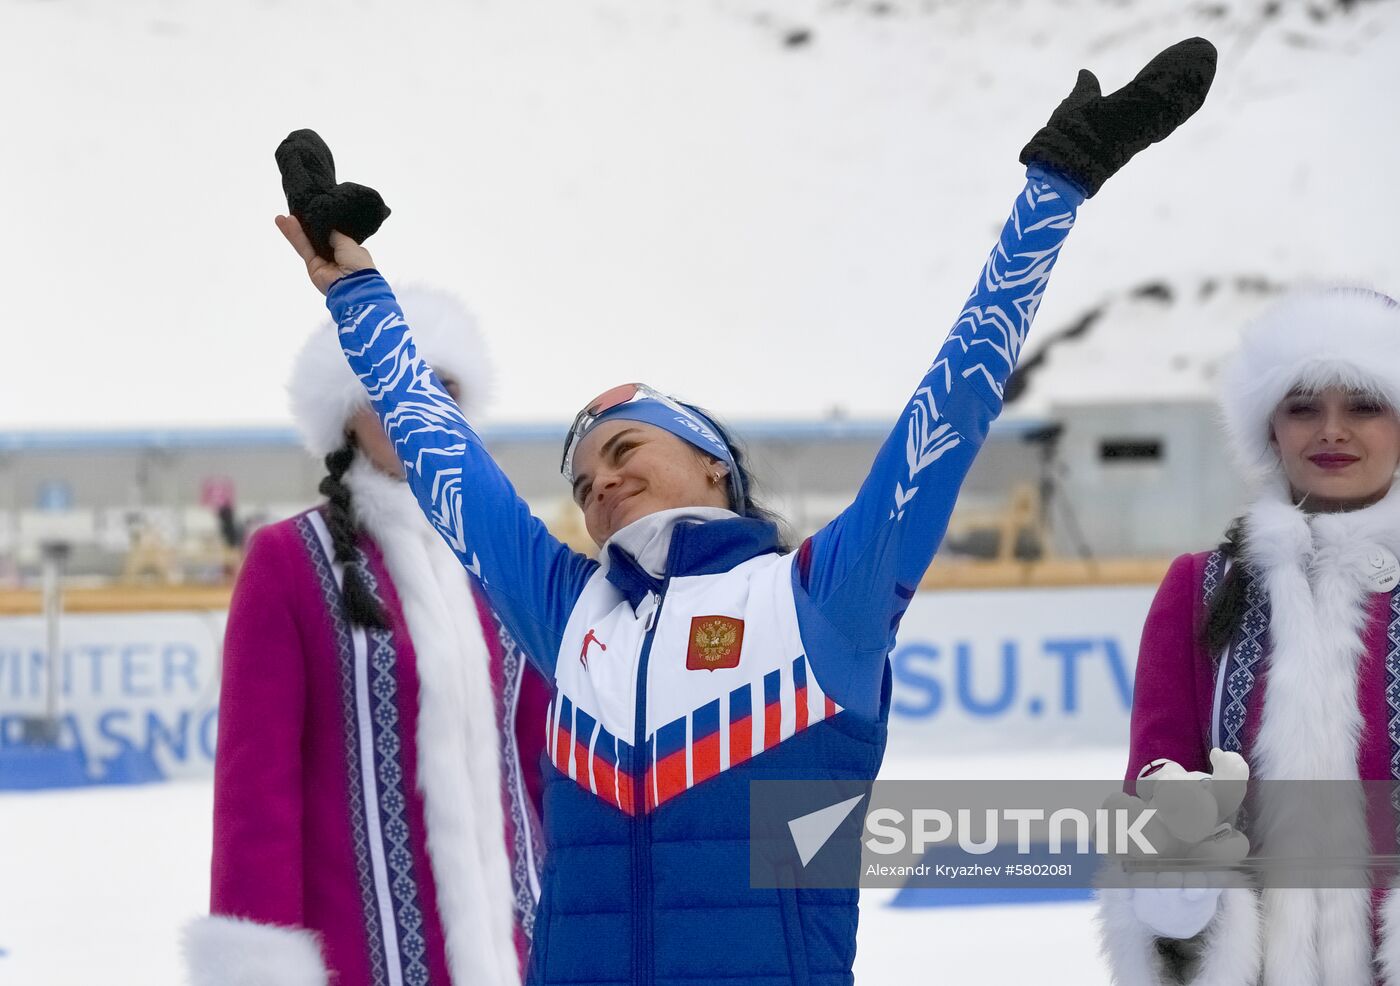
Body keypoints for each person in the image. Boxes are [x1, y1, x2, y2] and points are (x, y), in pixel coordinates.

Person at [276, 38, 1217, 986]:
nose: (598, 484)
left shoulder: (814, 600)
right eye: (580, 480)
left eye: (624, 449)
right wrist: (358, 295)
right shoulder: (574, 618)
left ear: (713, 463)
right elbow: (451, 471)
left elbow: (954, 407)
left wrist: (1052, 190)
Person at [182, 288, 550, 986]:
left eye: (441, 388)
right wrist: (262, 965)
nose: (420, 408)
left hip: (525, 946)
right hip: (359, 950)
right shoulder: (290, 561)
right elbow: (256, 791)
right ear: (349, 415)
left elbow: (547, 760)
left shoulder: (501, 556)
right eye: (394, 388)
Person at [1100, 289, 1400, 984]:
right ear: (1270, 428)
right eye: (1302, 407)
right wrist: (1175, 889)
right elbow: (1153, 788)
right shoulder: (1199, 591)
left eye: (1363, 404)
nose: (1331, 430)